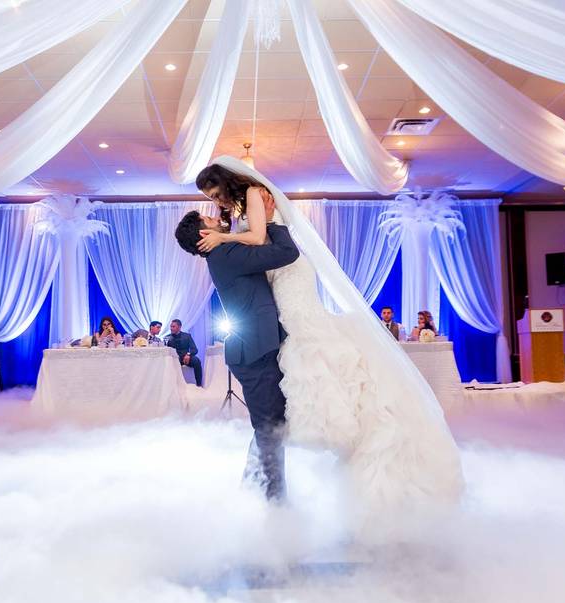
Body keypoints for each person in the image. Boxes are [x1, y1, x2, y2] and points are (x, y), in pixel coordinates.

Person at [184, 158, 464, 511]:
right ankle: (269, 496)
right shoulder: (224, 249)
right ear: (202, 237)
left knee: (288, 396)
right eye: (211, 208)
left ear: (226, 182)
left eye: (215, 195)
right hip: (266, 315)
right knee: (273, 419)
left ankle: (269, 492)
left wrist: (235, 231)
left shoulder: (247, 206)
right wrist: (236, 232)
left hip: (284, 284)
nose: (217, 205)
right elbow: (269, 245)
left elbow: (269, 244)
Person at [175, 205, 296, 501]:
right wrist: (270, 222)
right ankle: (274, 500)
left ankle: (257, 489)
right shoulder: (225, 254)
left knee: (270, 425)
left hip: (256, 347)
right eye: (211, 219)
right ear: (205, 232)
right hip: (254, 353)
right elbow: (286, 252)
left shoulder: (224, 252)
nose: (219, 220)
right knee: (270, 427)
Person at [164, 319, 203, 387]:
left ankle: (199, 385)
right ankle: (172, 386)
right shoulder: (167, 337)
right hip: (174, 359)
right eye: (170, 326)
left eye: (173, 326)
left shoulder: (187, 336)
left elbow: (194, 349)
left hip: (186, 358)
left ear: (179, 327)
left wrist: (188, 355)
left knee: (197, 361)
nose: (171, 328)